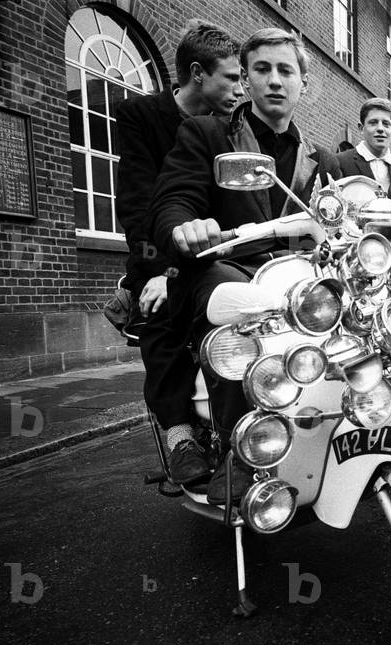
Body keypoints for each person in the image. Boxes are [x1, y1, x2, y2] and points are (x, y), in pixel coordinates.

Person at [149, 28, 341, 503]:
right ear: (247, 80)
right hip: (223, 267)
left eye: (286, 70)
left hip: (297, 276)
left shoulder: (324, 159)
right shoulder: (206, 133)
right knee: (247, 305)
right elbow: (173, 198)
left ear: (303, 83)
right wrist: (183, 228)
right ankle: (243, 449)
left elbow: (346, 219)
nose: (275, 80)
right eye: (262, 69)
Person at [115, 20, 242, 485]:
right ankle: (180, 435)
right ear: (197, 73)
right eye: (231, 77)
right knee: (162, 315)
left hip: (220, 251)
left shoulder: (231, 127)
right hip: (158, 253)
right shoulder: (141, 117)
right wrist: (158, 270)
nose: (239, 88)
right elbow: (137, 203)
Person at [336, 97, 391, 193]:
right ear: (361, 128)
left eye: (386, 124)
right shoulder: (339, 162)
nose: (380, 129)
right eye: (373, 123)